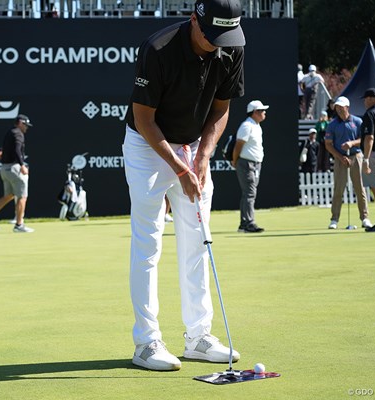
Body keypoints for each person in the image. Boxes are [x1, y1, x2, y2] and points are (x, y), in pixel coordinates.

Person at [122, 0, 244, 371]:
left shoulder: (231, 46)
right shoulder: (158, 49)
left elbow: (221, 108)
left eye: (225, 36)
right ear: (195, 19)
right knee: (149, 240)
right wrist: (179, 168)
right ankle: (146, 342)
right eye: (211, 35)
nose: (217, 43)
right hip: (148, 145)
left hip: (192, 146)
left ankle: (198, 337)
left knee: (197, 237)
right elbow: (144, 119)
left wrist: (203, 157)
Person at [0, 114, 35, 233]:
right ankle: (19, 225)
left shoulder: (10, 132)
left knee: (9, 196)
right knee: (22, 197)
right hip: (14, 168)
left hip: (5, 169)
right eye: (25, 125)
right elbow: (17, 150)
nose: (26, 128)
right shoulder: (18, 133)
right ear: (20, 122)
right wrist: (22, 165)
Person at [324, 96, 372, 229]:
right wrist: (340, 157)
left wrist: (351, 143)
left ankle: (365, 217)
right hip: (340, 159)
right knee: (338, 189)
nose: (338, 109)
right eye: (337, 107)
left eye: (341, 107)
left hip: (356, 156)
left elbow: (363, 139)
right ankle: (334, 219)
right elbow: (328, 144)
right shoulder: (332, 124)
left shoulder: (357, 121)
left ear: (347, 107)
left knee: (360, 188)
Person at [231, 100, 269, 233]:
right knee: (250, 193)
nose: (264, 112)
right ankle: (248, 223)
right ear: (254, 112)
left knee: (249, 193)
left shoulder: (256, 125)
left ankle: (244, 223)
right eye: (262, 110)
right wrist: (235, 161)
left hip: (255, 164)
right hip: (246, 163)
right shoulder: (247, 126)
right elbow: (238, 145)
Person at [360, 88, 375, 232]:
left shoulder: (370, 114)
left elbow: (369, 137)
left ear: (372, 98)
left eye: (366, 98)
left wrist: (366, 159)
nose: (365, 102)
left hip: (374, 154)